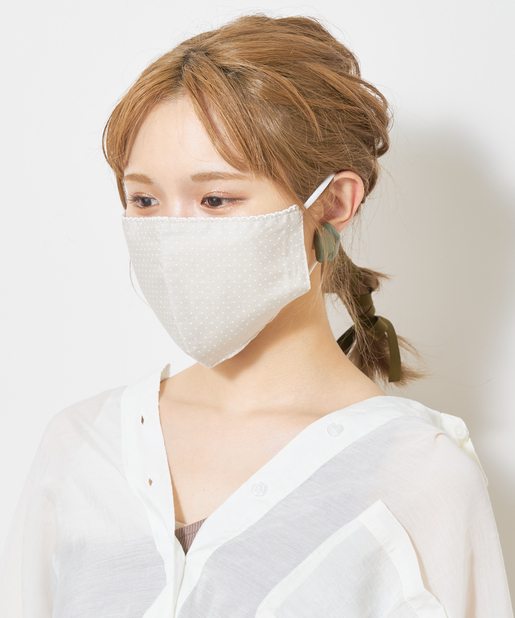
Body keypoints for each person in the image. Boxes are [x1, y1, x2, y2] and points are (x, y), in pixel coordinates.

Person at [0, 13, 513, 618]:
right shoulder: (81, 448)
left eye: (215, 198)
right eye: (144, 199)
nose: (171, 233)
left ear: (333, 203)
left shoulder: (418, 476)